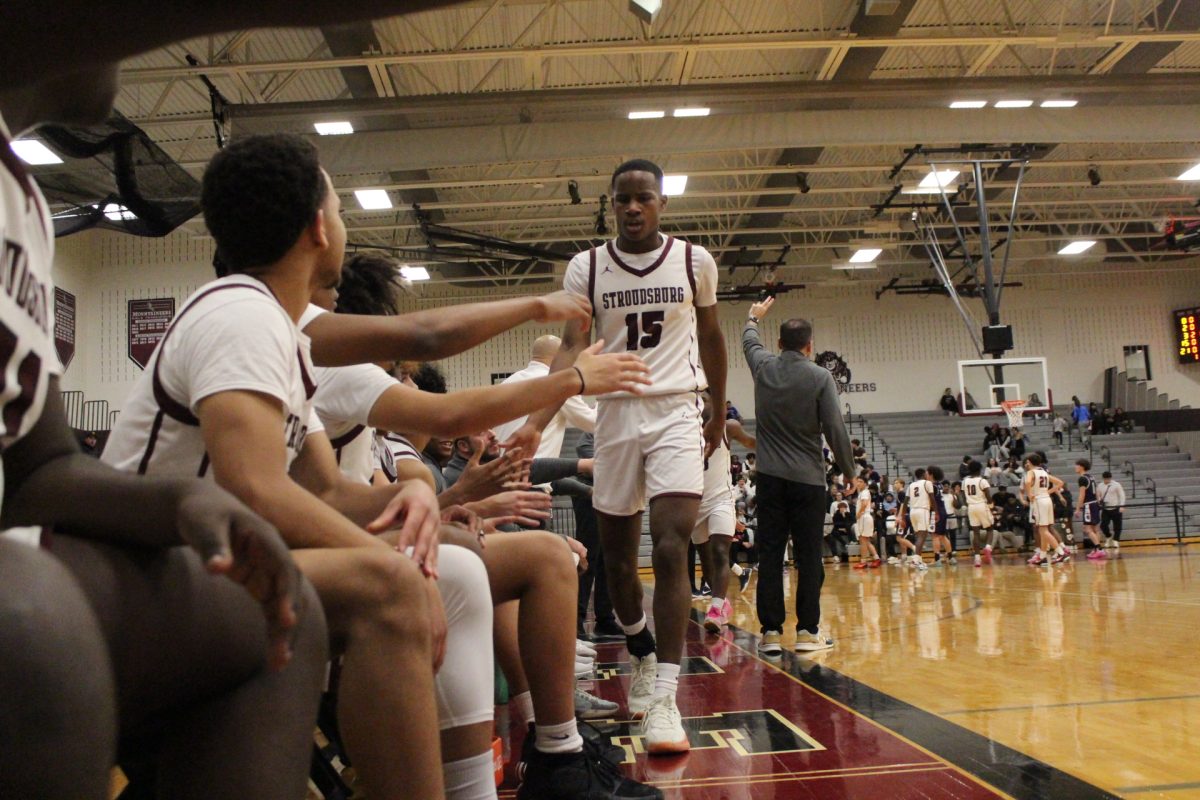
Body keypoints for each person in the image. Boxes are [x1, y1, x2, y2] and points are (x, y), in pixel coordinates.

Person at [0, 64, 328, 800]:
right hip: (30, 579)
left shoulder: (19, 201)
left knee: (281, 610)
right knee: (31, 627)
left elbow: (42, 470)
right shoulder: (240, 314)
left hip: (47, 547)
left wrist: (182, 502)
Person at [506, 158, 727, 755]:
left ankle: (665, 697)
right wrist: (533, 422)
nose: (633, 208)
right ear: (611, 205)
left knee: (676, 544)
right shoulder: (588, 267)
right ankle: (640, 652)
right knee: (621, 564)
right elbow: (573, 347)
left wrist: (717, 412)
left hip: (678, 409)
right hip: (615, 415)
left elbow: (711, 338)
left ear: (661, 203)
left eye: (644, 198)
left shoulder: (693, 261)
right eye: (622, 199)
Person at [740, 296, 855, 655]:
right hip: (808, 481)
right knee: (808, 556)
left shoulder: (763, 367)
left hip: (770, 479)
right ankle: (807, 632)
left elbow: (749, 342)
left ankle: (771, 633)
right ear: (810, 346)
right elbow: (834, 428)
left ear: (778, 344)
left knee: (771, 554)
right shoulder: (821, 377)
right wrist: (849, 470)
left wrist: (752, 318)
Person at [694, 390, 757, 633]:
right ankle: (722, 604)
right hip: (694, 503)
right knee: (706, 560)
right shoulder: (684, 429)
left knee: (721, 551)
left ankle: (716, 607)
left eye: (705, 399)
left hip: (721, 498)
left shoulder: (728, 427)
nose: (700, 403)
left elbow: (751, 442)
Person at [1023, 453, 1067, 566]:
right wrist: (1048, 492)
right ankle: (1042, 557)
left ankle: (1060, 552)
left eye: (1027, 462)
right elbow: (1060, 483)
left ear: (1031, 462)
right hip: (1047, 500)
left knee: (1043, 530)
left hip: (1039, 500)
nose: (1026, 464)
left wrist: (1029, 495)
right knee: (1044, 529)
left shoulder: (1031, 472)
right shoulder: (1044, 472)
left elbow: (1027, 482)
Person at [898, 467, 935, 569]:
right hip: (922, 510)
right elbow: (932, 498)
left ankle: (919, 560)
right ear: (924, 475)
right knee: (922, 537)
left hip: (912, 512)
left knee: (919, 537)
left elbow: (905, 502)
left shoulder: (911, 485)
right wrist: (936, 512)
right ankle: (916, 561)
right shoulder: (927, 483)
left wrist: (903, 517)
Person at [963, 460, 996, 567]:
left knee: (975, 532)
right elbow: (988, 496)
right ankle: (987, 547)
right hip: (982, 505)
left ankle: (977, 558)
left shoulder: (965, 481)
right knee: (990, 529)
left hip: (971, 507)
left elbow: (964, 497)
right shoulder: (982, 481)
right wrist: (991, 507)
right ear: (980, 469)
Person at [1074, 459, 1107, 559]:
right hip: (1095, 504)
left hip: (1088, 504)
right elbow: (1097, 491)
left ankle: (1099, 549)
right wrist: (1098, 502)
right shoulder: (1091, 477)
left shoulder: (1082, 479)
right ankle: (1097, 549)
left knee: (1087, 528)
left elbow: (1082, 495)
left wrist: (1078, 508)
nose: (1075, 467)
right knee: (1095, 529)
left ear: (1081, 467)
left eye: (1077, 465)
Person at [851, 475, 882, 571]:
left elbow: (864, 504)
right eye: (857, 481)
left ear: (865, 483)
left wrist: (859, 513)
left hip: (864, 516)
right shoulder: (863, 492)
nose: (858, 483)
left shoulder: (864, 492)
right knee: (866, 541)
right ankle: (876, 558)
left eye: (860, 481)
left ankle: (863, 561)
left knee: (863, 540)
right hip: (864, 517)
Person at [1098, 471, 1126, 550]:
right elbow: (1099, 495)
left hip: (1116, 508)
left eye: (1109, 478)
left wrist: (1122, 505)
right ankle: (1108, 536)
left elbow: (1122, 495)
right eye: (1106, 479)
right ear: (1103, 478)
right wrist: (1100, 501)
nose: (1107, 480)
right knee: (1103, 525)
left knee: (1117, 526)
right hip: (1106, 509)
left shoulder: (1116, 485)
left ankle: (1116, 540)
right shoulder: (1100, 486)